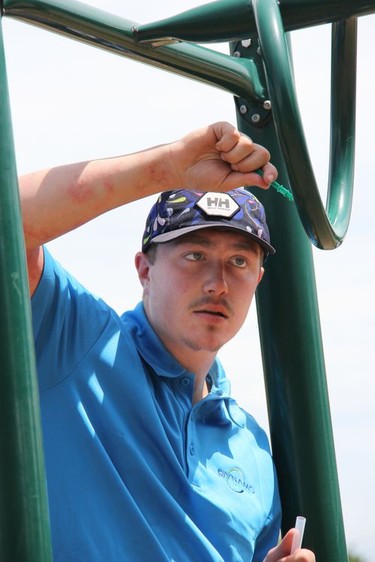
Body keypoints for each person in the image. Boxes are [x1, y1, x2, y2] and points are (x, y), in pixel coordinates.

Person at [20, 122, 315, 562]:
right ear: (144, 270)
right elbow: (10, 223)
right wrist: (168, 167)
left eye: (238, 261)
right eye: (194, 255)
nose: (217, 283)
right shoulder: (79, 343)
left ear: (257, 280)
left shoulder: (250, 446)